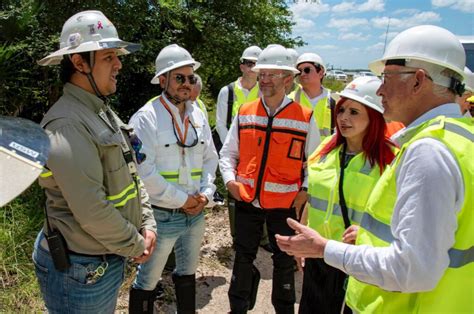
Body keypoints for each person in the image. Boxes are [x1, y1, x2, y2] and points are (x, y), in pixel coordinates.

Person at [276, 25, 473, 313]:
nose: (380, 89)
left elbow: (412, 269)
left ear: (418, 81)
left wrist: (324, 249)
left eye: (387, 78)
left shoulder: (429, 150)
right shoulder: (461, 138)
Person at [32, 10, 157, 312]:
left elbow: (131, 174)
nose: (119, 64)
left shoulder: (100, 111)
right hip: (80, 272)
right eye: (108, 57)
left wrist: (147, 222)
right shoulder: (67, 123)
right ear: (78, 63)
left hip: (104, 260)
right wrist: (137, 244)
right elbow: (90, 209)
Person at [220, 44, 321, 314]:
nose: (263, 80)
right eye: (261, 74)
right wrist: (230, 181)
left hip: (285, 205)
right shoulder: (245, 111)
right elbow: (228, 153)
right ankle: (237, 308)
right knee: (242, 258)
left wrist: (305, 189)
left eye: (271, 75)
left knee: (284, 262)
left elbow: (316, 162)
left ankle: (284, 310)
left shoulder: (304, 117)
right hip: (246, 201)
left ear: (288, 79)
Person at [128, 44, 218, 313]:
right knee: (148, 280)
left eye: (191, 78)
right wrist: (183, 200)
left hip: (196, 212)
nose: (186, 84)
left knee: (188, 272)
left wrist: (206, 193)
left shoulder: (198, 114)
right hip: (162, 216)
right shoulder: (146, 118)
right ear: (163, 80)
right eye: (179, 78)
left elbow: (210, 159)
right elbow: (143, 172)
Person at [298, 77, 396, 314]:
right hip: (319, 256)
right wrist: (302, 241)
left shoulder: (391, 161)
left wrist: (366, 235)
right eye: (341, 110)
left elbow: (402, 219)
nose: (343, 118)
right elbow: (315, 198)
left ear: (374, 116)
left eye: (354, 112)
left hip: (358, 259)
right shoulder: (326, 150)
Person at [215, 45, 272, 252]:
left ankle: (263, 237)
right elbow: (221, 123)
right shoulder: (228, 91)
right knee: (235, 194)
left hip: (259, 152)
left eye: (257, 64)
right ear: (242, 66)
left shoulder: (264, 91)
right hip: (236, 152)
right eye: (249, 63)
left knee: (262, 191)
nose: (253, 67)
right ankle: (237, 236)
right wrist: (232, 148)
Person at [289, 52, 335, 140]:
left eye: (307, 70)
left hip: (324, 153)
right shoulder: (290, 100)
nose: (302, 74)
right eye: (299, 71)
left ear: (321, 73)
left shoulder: (333, 101)